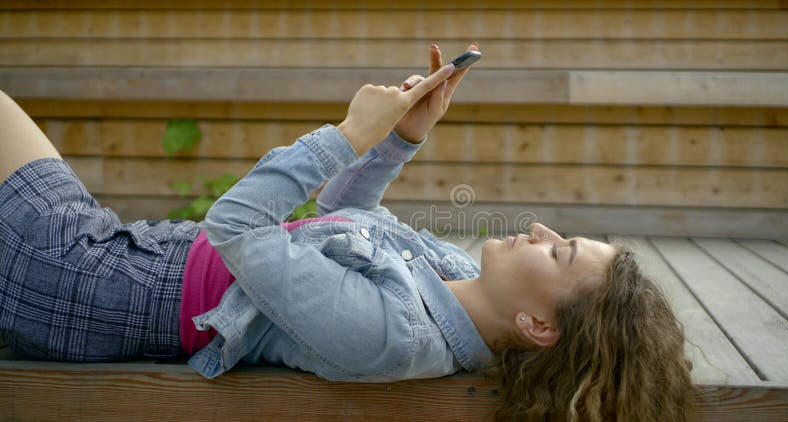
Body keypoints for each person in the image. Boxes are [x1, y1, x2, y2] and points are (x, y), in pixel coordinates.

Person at [0, 43, 693, 421]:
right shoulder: (450, 276)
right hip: (128, 257)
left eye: (560, 251)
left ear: (539, 326)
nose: (541, 229)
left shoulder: (392, 336)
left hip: (90, 287)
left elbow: (239, 225)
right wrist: (396, 142)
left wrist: (346, 135)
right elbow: (338, 222)